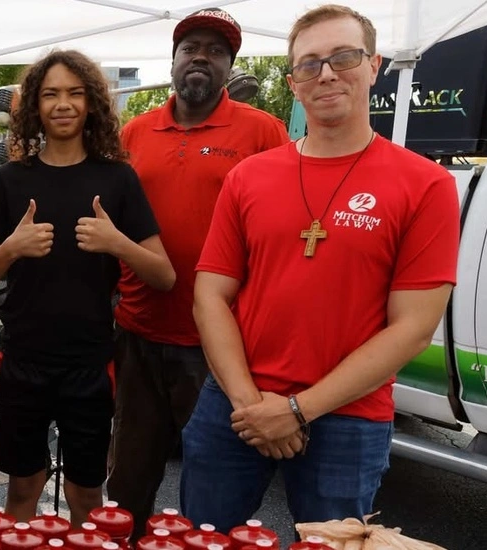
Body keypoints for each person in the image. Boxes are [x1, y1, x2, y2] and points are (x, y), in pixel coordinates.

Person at [181, 4, 459, 531]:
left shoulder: (426, 185)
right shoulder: (249, 177)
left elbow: (414, 327)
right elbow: (210, 296)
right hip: (234, 406)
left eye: (343, 57)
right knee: (201, 540)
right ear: (293, 82)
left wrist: (297, 409)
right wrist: (253, 404)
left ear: (374, 66)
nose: (326, 73)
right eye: (309, 64)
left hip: (347, 416)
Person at [0, 50, 175, 524]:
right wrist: (12, 248)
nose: (63, 104)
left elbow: (164, 276)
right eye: (51, 94)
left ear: (92, 103)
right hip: (22, 360)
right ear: (35, 106)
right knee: (22, 490)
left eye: (75, 93)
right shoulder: (9, 180)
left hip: (90, 363)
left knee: (86, 495)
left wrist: (116, 242)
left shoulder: (117, 178)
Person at [107, 8, 291, 539]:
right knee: (129, 479)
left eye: (214, 51)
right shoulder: (135, 132)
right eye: (191, 48)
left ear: (229, 67)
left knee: (210, 485)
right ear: (173, 61)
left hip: (217, 344)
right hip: (139, 331)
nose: (200, 58)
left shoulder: (263, 131)